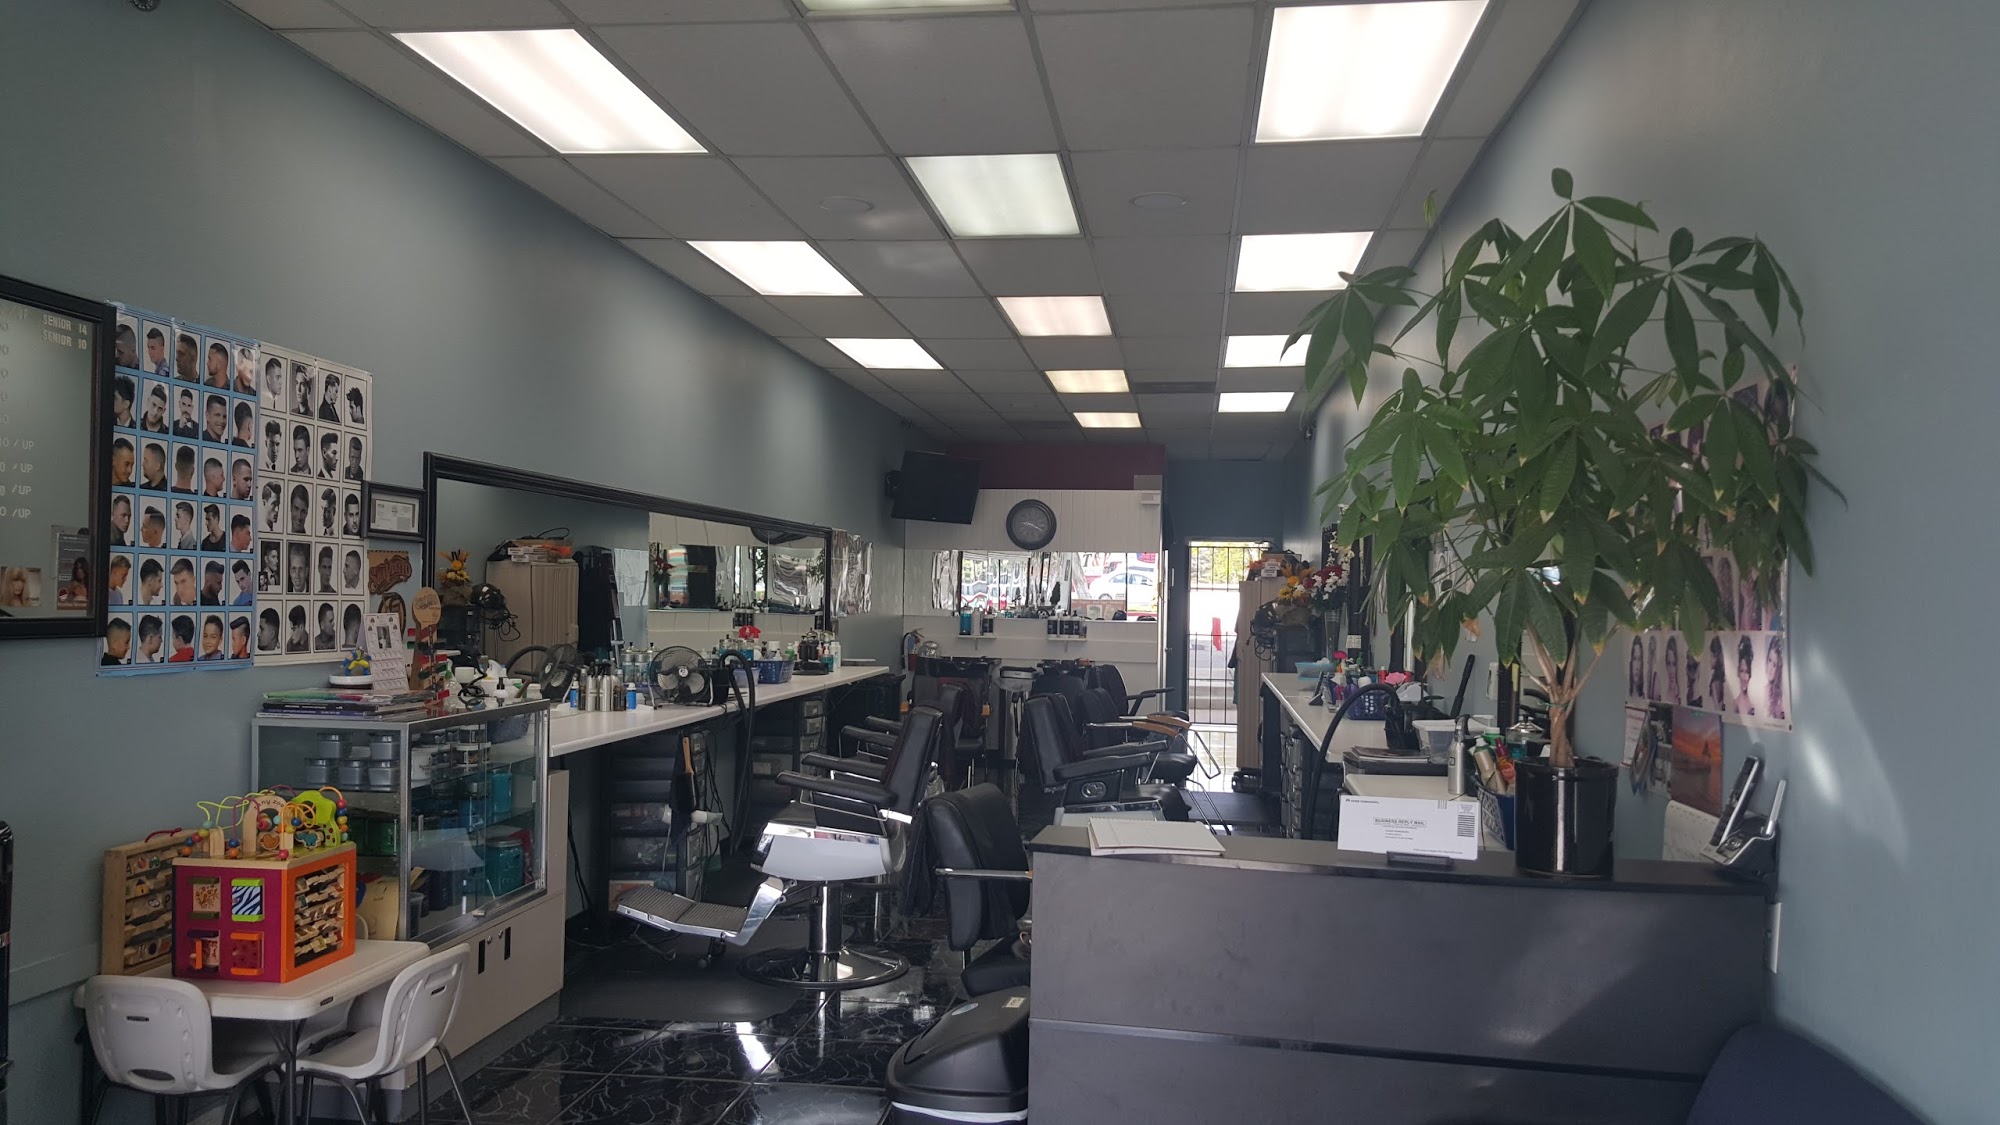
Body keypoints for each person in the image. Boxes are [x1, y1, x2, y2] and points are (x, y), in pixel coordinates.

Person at [1734, 635, 1757, 717]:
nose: (1744, 677)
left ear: (1750, 674)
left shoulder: (1752, 706)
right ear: (1738, 672)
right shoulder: (1734, 704)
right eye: (1742, 671)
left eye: (1747, 672)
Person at [1766, 636, 1787, 721]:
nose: (1770, 668)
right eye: (1769, 660)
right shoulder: (1761, 690)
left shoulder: (1780, 700)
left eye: (1774, 665)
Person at [1706, 636, 1727, 711]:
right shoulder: (1720, 680)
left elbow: (1717, 708)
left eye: (1710, 656)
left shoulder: (1714, 684)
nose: (1709, 660)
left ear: (1715, 657)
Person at [1664, 635, 1681, 705]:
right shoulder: (1663, 694)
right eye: (1668, 664)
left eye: (1674, 664)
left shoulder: (1681, 695)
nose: (1671, 670)